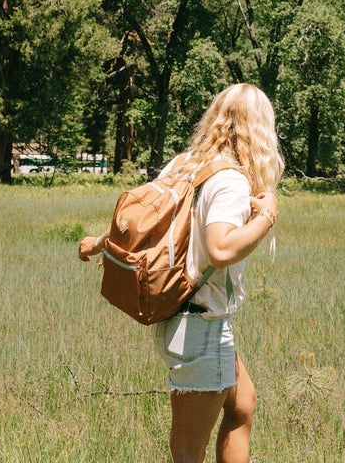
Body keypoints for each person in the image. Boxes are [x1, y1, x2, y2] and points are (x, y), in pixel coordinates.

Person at [79, 82, 282, 463]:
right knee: (188, 451)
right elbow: (221, 249)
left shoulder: (185, 165)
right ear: (261, 132)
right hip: (200, 328)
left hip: (186, 322)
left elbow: (145, 223)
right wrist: (267, 215)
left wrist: (99, 242)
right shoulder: (231, 181)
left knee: (242, 404)